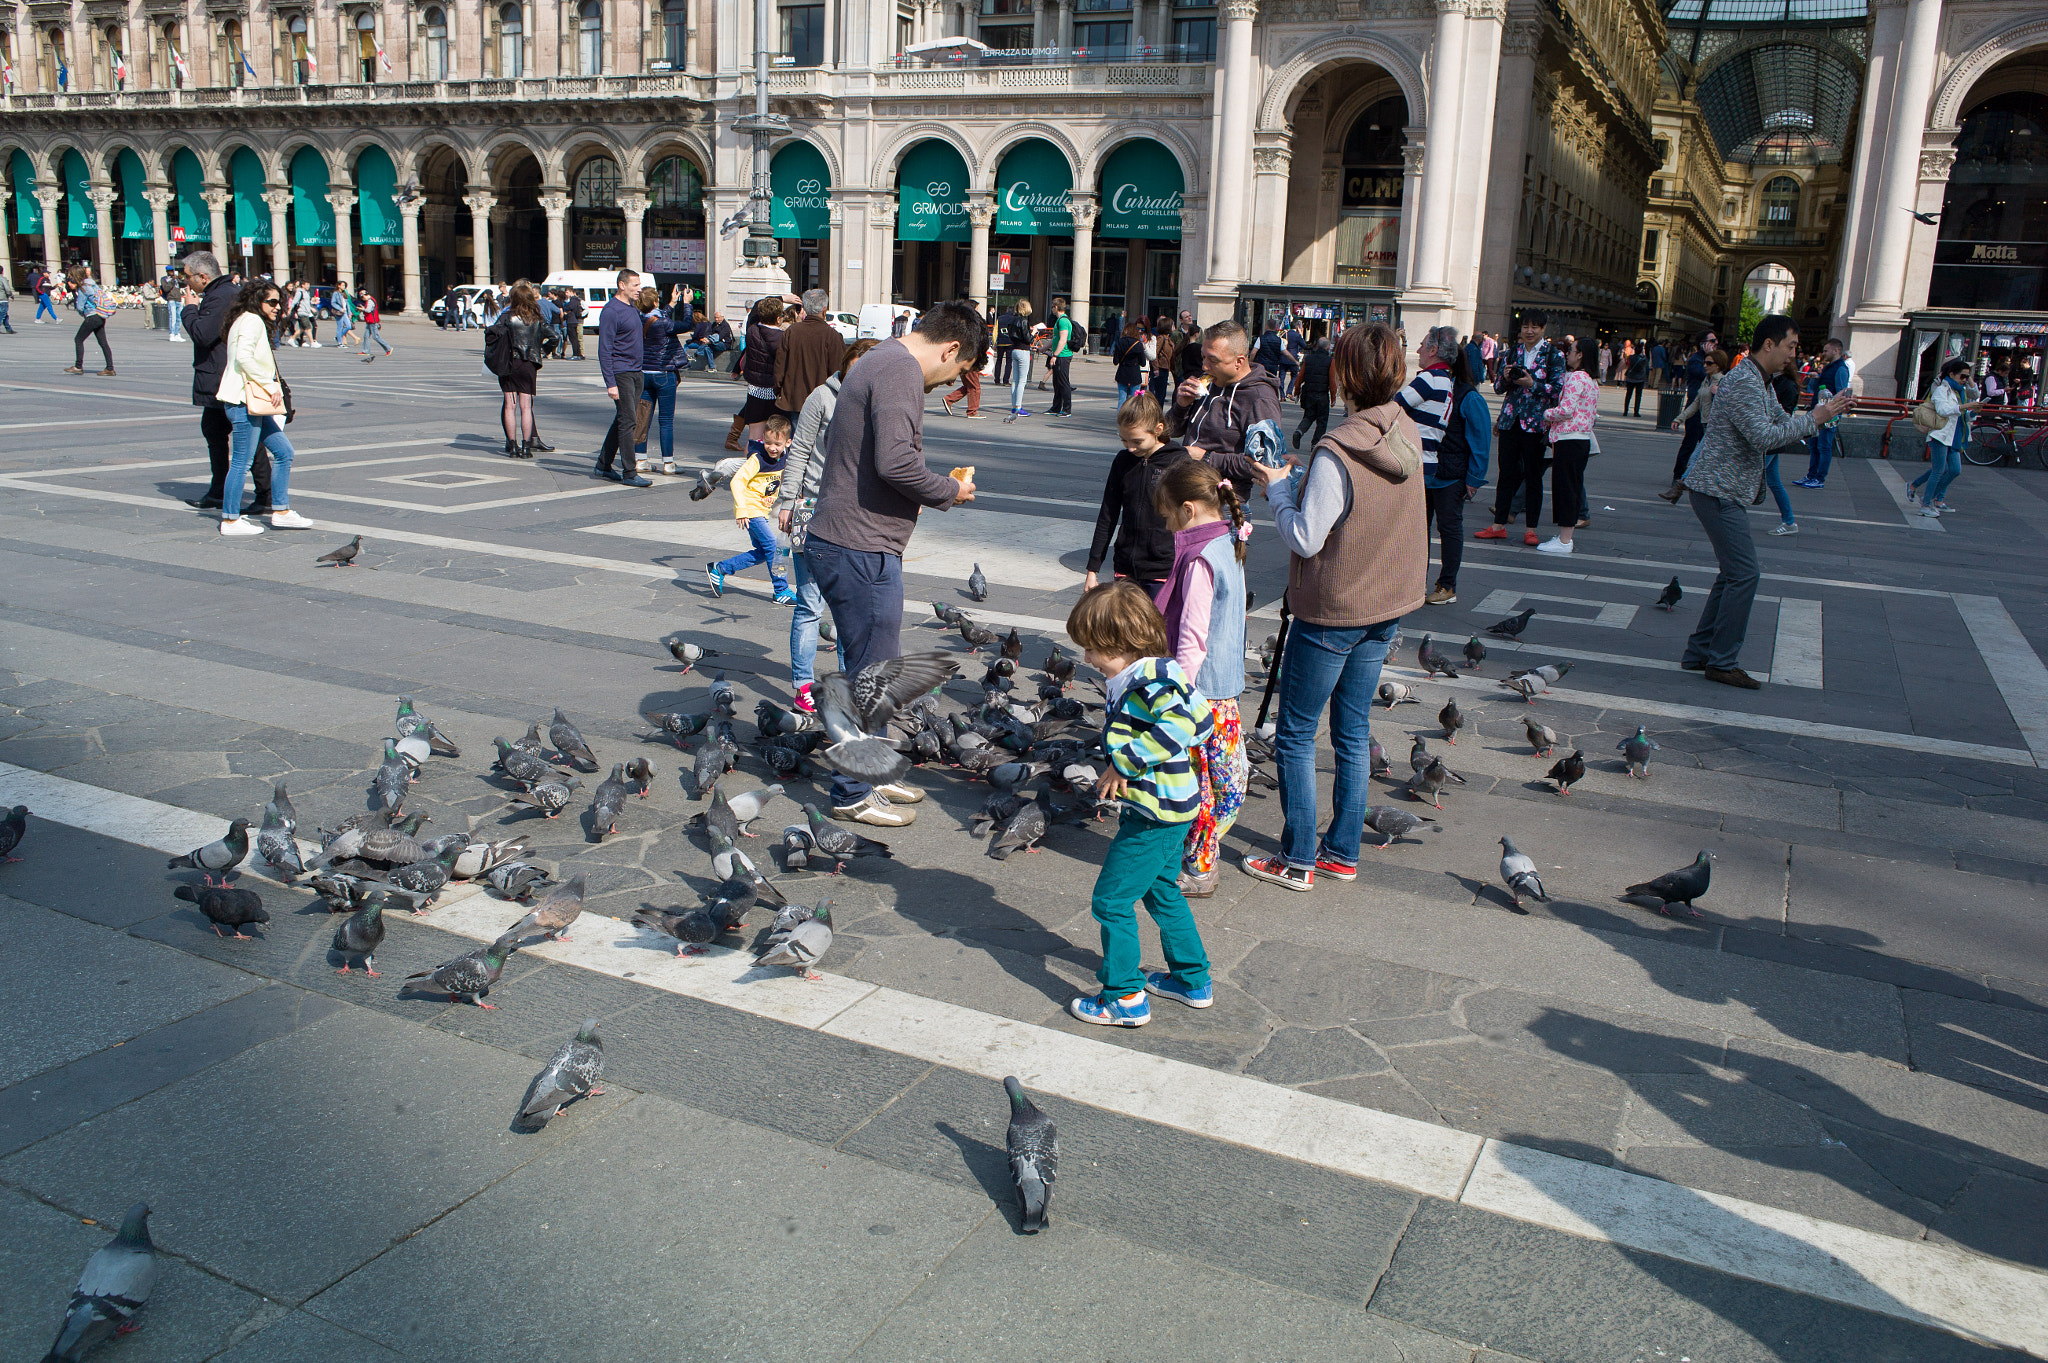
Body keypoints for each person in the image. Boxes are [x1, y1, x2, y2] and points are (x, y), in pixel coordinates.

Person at [1242, 322, 1424, 892]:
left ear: (1344, 376)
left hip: (1334, 609)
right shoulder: (1405, 429)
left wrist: (1276, 486)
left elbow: (1305, 537)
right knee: (1352, 729)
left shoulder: (1338, 448)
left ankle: (1297, 858)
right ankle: (1341, 852)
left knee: (1295, 733)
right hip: (1385, 604)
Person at [802, 299, 983, 826]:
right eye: (961, 368)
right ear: (951, 348)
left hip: (852, 539)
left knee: (872, 669)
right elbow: (897, 463)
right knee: (871, 677)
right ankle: (851, 793)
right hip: (859, 545)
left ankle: (873, 775)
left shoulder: (881, 359)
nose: (950, 378)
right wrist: (953, 490)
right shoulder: (901, 370)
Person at [1064, 579, 1216, 1027]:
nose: (1087, 659)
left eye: (1094, 650)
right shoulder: (1156, 674)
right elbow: (1203, 721)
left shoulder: (1151, 682)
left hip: (1154, 815)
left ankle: (1124, 998)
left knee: (1111, 900)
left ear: (1124, 644)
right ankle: (1193, 980)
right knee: (1161, 889)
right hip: (1172, 808)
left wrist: (1125, 763)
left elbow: (1185, 724)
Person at [1682, 315, 1852, 688]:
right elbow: (1763, 437)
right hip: (1716, 490)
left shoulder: (1761, 381)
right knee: (1745, 574)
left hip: (1722, 490)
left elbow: (1779, 422)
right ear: (1769, 344)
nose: (1794, 354)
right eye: (1791, 346)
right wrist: (1817, 418)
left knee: (1733, 574)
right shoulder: (1745, 381)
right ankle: (1721, 661)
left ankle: (1700, 652)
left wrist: (1819, 415)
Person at [1153, 459, 1250, 899]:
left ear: (1189, 510)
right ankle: (1200, 854)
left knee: (1199, 787)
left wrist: (1177, 694)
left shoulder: (1199, 559)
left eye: (1170, 515)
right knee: (1226, 780)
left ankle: (1199, 867)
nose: (1169, 525)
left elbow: (1192, 639)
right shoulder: (1229, 541)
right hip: (1224, 692)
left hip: (1199, 696)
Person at [778, 339, 877, 714]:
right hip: (811, 507)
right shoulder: (821, 397)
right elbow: (800, 450)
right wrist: (787, 501)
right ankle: (803, 684)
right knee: (809, 603)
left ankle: (844, 684)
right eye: (856, 366)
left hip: (854, 512)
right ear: (845, 364)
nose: (861, 375)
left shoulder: (875, 400)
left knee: (848, 608)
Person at [214, 279, 311, 536]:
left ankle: (280, 511)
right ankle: (231, 520)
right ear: (257, 300)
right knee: (242, 462)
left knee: (283, 452)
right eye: (272, 302)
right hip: (244, 400)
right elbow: (244, 358)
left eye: (279, 301)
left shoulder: (246, 320)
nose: (278, 307)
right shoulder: (251, 320)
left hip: (251, 401)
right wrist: (270, 387)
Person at [179, 251, 271, 517]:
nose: (187, 283)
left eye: (189, 277)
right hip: (222, 376)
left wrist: (189, 308)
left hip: (224, 378)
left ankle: (264, 494)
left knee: (248, 437)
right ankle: (219, 491)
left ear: (203, 276)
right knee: (216, 430)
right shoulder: (227, 292)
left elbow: (203, 335)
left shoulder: (219, 297)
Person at [1085, 392, 1192, 599]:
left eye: (1137, 441)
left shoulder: (1178, 462)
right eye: (1124, 441)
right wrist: (1092, 568)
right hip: (1126, 566)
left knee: (1159, 629)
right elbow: (1108, 514)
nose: (1131, 448)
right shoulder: (1123, 461)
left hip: (1164, 568)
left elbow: (1192, 518)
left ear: (1158, 430)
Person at [1477, 311, 1561, 545]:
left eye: (1535, 327)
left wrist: (1533, 384)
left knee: (1534, 476)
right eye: (1525, 326)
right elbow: (1497, 388)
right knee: (1506, 474)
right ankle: (1498, 525)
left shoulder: (1553, 355)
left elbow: (1557, 390)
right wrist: (1504, 378)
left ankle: (1531, 529)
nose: (1529, 331)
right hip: (1510, 421)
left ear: (1543, 329)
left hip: (1536, 425)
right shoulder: (1513, 352)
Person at [1423, 346, 1490, 604]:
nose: (1420, 350)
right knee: (1419, 529)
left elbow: (1480, 441)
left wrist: (1474, 479)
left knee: (1449, 528)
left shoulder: (1468, 396)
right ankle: (1416, 581)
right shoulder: (1427, 388)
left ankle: (1447, 585)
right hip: (1425, 470)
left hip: (1451, 474)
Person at [1170, 319, 1285, 471]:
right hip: (1188, 483)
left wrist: (1206, 458)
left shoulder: (1259, 398)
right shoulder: (1210, 384)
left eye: (1213, 360)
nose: (1204, 366)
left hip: (1225, 491)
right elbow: (1172, 430)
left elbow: (1263, 462)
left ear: (1239, 361)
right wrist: (1181, 406)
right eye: (1203, 357)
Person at [707, 411, 795, 601]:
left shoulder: (785, 456)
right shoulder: (757, 459)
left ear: (787, 443)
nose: (772, 448)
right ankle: (781, 591)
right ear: (763, 439)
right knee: (772, 546)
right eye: (768, 443)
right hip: (750, 510)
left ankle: (719, 569)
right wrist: (741, 510)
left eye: (777, 444)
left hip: (761, 511)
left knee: (763, 552)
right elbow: (736, 482)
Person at [1537, 336, 1598, 554]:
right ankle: (1564, 537)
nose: (1567, 354)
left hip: (1568, 438)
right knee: (1571, 486)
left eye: (1571, 350)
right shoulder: (1590, 380)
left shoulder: (1575, 378)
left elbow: (1565, 410)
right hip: (1581, 438)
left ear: (1580, 354)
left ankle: (1564, 539)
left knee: (1565, 488)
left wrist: (1546, 413)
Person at [594, 269, 653, 487]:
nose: (639, 289)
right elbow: (604, 349)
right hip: (621, 373)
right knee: (629, 421)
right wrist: (610, 383)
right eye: (635, 285)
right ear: (622, 285)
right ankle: (629, 472)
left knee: (623, 418)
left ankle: (603, 464)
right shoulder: (611, 311)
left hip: (636, 372)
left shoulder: (632, 308)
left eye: (639, 285)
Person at [1909, 358, 1985, 517]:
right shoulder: (1942, 388)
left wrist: (1973, 411)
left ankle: (1928, 496)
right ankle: (1926, 503)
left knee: (1955, 470)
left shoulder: (1960, 390)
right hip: (1940, 434)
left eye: (1967, 376)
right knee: (1939, 470)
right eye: (1962, 376)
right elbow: (1944, 410)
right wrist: (1967, 407)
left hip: (1954, 434)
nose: (1965, 380)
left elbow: (1965, 411)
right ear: (1952, 373)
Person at [1659, 349, 1725, 502]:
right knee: (1705, 461)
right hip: (1706, 426)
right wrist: (1679, 419)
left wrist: (1719, 394)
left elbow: (1730, 406)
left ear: (1718, 365)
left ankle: (1678, 489)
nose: (1705, 365)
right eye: (1705, 362)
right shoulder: (1706, 381)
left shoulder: (1723, 382)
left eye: (1709, 363)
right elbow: (1696, 404)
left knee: (1695, 458)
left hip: (1716, 428)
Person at [776, 287, 847, 423]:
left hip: (795, 399)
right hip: (823, 401)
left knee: (797, 441)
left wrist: (779, 389)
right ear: (824, 310)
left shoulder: (792, 332)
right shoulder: (832, 336)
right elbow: (838, 371)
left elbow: (780, 366)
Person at [638, 285, 686, 475]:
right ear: (655, 301)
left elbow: (656, 317)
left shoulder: (639, 319)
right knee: (666, 420)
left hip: (644, 373)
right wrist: (686, 305)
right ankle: (668, 463)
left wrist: (672, 303)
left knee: (643, 417)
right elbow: (687, 324)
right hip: (664, 374)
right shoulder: (663, 323)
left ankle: (640, 459)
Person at [496, 280, 546, 459]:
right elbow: (554, 336)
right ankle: (526, 447)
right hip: (529, 364)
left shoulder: (506, 316)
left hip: (510, 364)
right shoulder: (536, 318)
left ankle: (513, 445)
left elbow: (492, 335)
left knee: (510, 405)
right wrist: (541, 352)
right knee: (526, 407)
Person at [736, 295, 789, 452]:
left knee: (754, 438)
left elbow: (754, 311)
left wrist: (781, 297)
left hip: (755, 390)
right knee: (776, 438)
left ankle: (749, 470)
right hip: (774, 392)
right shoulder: (783, 338)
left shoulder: (752, 330)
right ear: (779, 318)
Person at [1798, 338, 1850, 487]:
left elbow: (1841, 391)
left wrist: (1831, 404)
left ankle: (1819, 478)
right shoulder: (1831, 367)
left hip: (1829, 412)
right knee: (1814, 444)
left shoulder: (1840, 368)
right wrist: (1818, 378)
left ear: (1836, 351)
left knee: (1824, 445)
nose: (1823, 353)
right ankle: (1812, 475)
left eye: (1826, 350)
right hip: (1820, 410)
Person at [62, 266, 116, 376]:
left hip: (92, 316)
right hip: (101, 315)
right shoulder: (92, 284)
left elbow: (80, 307)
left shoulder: (83, 287)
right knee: (103, 343)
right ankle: (110, 368)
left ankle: (78, 366)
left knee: (78, 339)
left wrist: (82, 313)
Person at [1292, 336, 1332, 449]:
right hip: (1322, 394)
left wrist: (1297, 391)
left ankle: (1299, 431)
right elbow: (1332, 380)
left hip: (1309, 393)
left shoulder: (1308, 359)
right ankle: (1315, 443)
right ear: (1328, 347)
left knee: (1309, 416)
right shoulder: (1330, 361)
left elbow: (1300, 377)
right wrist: (1333, 397)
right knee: (1322, 421)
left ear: (1317, 346)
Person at [1001, 300, 1035, 420]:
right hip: (1023, 350)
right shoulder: (1024, 320)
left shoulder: (1011, 320)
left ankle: (1014, 406)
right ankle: (1019, 407)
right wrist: (1034, 333)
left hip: (1014, 349)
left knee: (1014, 380)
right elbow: (1027, 339)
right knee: (1022, 380)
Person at [1047, 297, 1076, 416]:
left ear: (1056, 307)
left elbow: (1063, 339)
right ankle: (1056, 407)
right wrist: (1042, 348)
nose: (1052, 309)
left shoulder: (1063, 321)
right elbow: (1055, 339)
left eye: (1053, 307)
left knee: (1063, 382)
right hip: (1060, 354)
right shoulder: (1059, 320)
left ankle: (1067, 409)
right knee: (1057, 382)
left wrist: (1055, 355)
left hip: (1063, 355)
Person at [1254, 321, 1297, 399]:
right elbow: (1286, 353)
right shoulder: (1278, 340)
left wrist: (1250, 363)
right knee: (1271, 383)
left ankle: (1261, 397)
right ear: (1275, 327)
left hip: (1262, 365)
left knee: (1262, 382)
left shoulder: (1261, 338)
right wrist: (1295, 361)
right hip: (1273, 366)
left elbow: (1254, 352)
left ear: (1266, 326)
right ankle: (1270, 398)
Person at [1111, 321, 1148, 408]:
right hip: (1134, 373)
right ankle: (1133, 419)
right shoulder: (1138, 344)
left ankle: (1121, 419)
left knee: (1122, 399)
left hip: (1122, 373)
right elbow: (1143, 363)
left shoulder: (1120, 342)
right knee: (1135, 400)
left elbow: (1115, 361)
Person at [356, 287, 391, 361]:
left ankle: (388, 348)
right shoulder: (369, 300)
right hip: (369, 321)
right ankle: (366, 351)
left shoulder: (370, 301)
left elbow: (368, 310)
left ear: (364, 296)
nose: (362, 300)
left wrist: (362, 309)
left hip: (373, 322)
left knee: (376, 337)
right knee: (366, 336)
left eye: (362, 298)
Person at [1622, 343, 1648, 416]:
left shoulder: (1631, 357)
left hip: (1630, 377)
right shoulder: (1643, 359)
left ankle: (1625, 410)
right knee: (1638, 396)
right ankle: (1636, 411)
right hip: (1640, 378)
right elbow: (1646, 364)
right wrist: (1644, 354)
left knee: (1628, 395)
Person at [560, 288, 586, 359]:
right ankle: (578, 354)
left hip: (571, 321)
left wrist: (566, 310)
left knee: (573, 338)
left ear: (571, 292)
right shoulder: (577, 300)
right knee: (575, 338)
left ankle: (576, 354)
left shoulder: (573, 300)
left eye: (567, 292)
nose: (566, 294)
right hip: (574, 320)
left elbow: (568, 307)